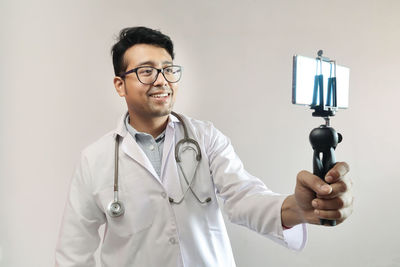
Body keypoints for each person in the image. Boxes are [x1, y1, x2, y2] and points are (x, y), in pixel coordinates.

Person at [55, 26, 353, 267]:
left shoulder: (205, 137)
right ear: (120, 85)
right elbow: (73, 252)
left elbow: (244, 198)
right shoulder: (95, 159)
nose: (162, 81)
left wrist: (298, 208)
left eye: (169, 70)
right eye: (146, 71)